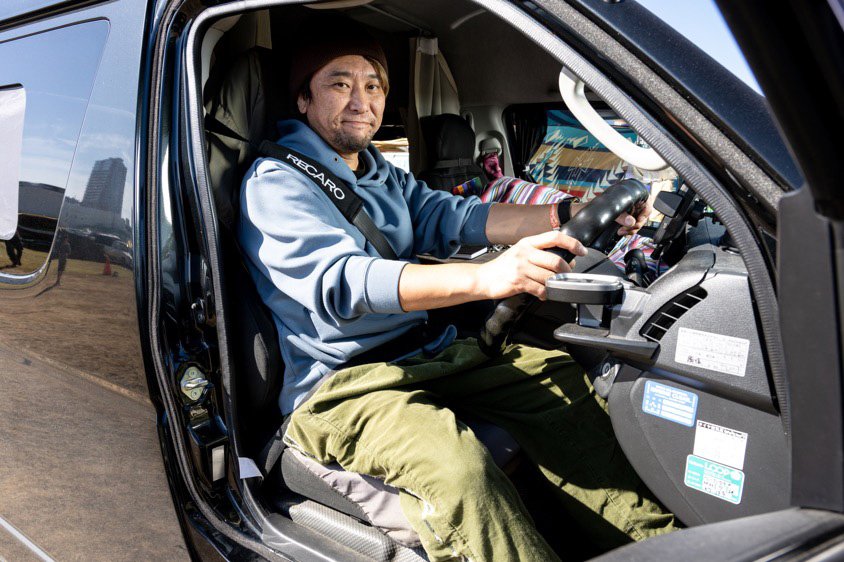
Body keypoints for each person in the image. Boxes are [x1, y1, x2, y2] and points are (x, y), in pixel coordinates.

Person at [238, 16, 676, 562]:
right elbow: (344, 282)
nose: (361, 100)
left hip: (425, 353)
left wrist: (566, 212)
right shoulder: (276, 182)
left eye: (372, 85)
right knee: (457, 466)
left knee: (559, 382)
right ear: (303, 99)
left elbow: (454, 215)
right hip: (342, 385)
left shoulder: (379, 172)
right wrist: (485, 277)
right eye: (339, 83)